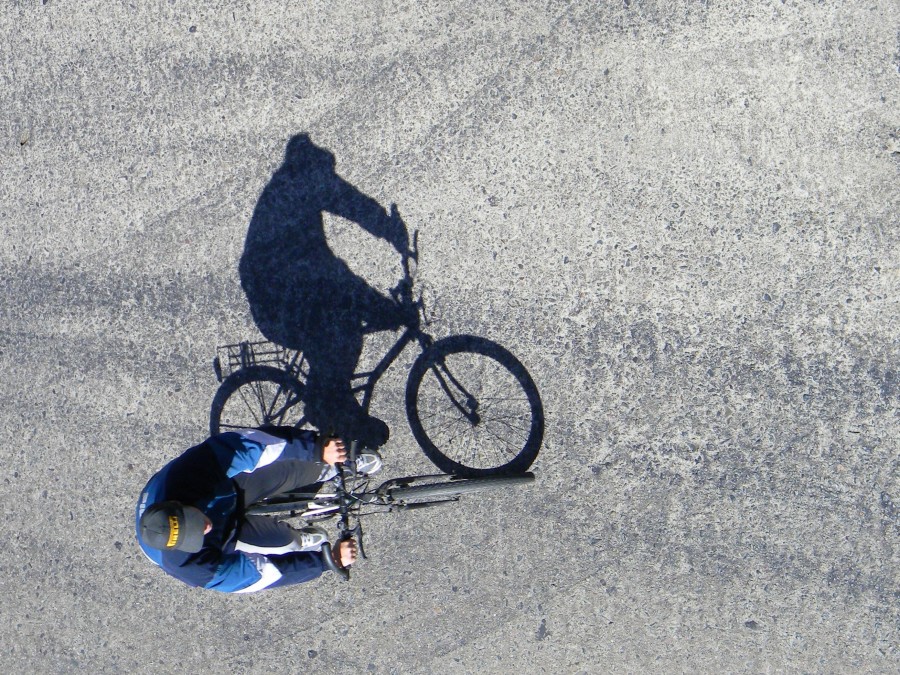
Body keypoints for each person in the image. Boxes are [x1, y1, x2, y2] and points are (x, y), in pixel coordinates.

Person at [135, 426, 382, 593]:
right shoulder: (192, 568)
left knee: (295, 468)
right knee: (288, 545)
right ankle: (300, 538)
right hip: (226, 537)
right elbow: (261, 575)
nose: (205, 527)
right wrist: (326, 562)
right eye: (194, 535)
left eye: (193, 519)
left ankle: (333, 466)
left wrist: (317, 449)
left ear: (179, 503)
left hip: (226, 488)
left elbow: (249, 446)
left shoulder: (187, 474)